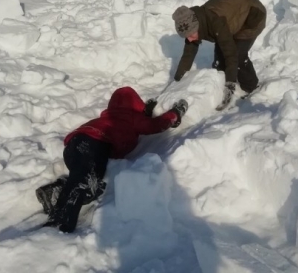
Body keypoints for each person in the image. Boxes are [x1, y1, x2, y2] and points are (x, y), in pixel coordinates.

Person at [37, 87, 187, 233]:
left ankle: (56, 194)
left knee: (89, 182)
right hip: (93, 144)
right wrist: (175, 114)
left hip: (73, 147)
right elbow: (156, 125)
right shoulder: (130, 118)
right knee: (84, 182)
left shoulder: (106, 116)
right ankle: (62, 224)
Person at [172, 0, 267, 108]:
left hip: (253, 15)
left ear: (197, 27)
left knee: (237, 54)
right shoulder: (193, 23)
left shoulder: (215, 22)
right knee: (220, 57)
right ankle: (219, 85)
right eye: (186, 36)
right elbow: (188, 54)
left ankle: (251, 86)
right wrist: (177, 81)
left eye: (191, 35)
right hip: (231, 20)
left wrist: (230, 85)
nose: (189, 39)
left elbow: (231, 55)